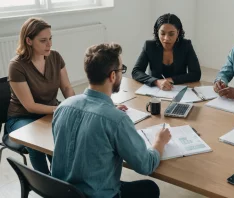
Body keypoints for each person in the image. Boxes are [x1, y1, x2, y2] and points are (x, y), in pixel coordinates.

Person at [51, 43, 171, 198]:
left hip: (62, 193)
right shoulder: (116, 120)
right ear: (112, 76)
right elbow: (146, 165)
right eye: (122, 70)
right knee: (150, 188)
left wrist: (108, 110)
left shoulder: (63, 107)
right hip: (96, 195)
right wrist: (159, 142)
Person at [6, 17, 75, 174]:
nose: (49, 44)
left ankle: (59, 178)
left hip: (48, 113)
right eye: (43, 40)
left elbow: (66, 87)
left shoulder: (55, 57)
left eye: (50, 39)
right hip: (21, 117)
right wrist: (60, 109)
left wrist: (74, 106)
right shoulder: (16, 66)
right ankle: (46, 182)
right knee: (35, 142)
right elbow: (30, 106)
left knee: (63, 139)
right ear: (29, 41)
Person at [132, 13, 201, 91]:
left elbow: (196, 74)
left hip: (178, 90)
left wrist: (170, 80)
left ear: (178, 33)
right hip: (155, 91)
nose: (166, 38)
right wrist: (157, 82)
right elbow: (136, 72)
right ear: (157, 32)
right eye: (162, 33)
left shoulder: (186, 45)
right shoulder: (149, 46)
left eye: (171, 34)